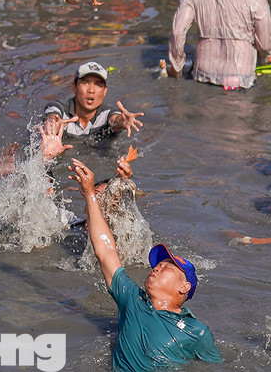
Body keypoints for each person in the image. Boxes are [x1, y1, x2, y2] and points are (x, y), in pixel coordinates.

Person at [70, 158, 223, 369]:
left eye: (167, 267)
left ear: (184, 286)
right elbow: (105, 251)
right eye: (157, 265)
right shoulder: (132, 300)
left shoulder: (197, 331)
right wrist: (89, 194)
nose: (157, 267)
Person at [43, 62, 143, 140]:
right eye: (85, 83)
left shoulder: (107, 114)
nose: (91, 90)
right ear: (74, 87)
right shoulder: (59, 109)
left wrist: (122, 122)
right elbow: (52, 117)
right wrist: (52, 127)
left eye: (98, 84)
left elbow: (115, 120)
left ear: (105, 91)